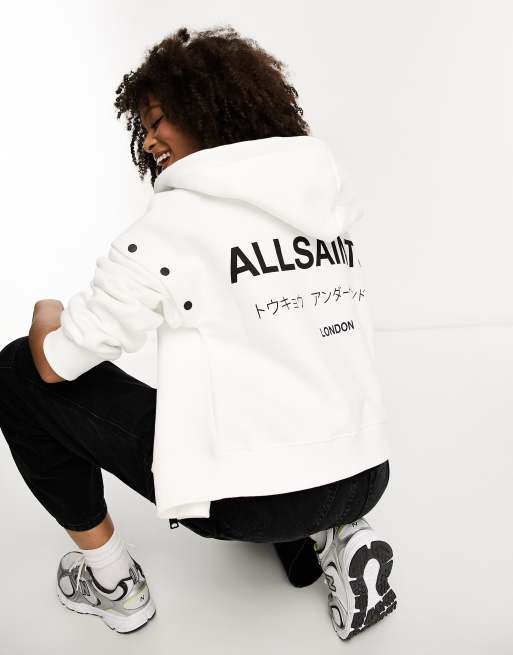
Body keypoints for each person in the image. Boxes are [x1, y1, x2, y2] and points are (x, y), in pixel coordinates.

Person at [0, 25, 396, 640]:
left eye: (158, 119)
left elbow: (59, 362)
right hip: (365, 473)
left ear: (208, 108)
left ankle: (112, 584)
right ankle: (333, 535)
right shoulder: (326, 203)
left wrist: (45, 311)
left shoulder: (174, 224)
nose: (149, 139)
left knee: (17, 371)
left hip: (255, 501)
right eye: (144, 126)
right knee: (268, 383)